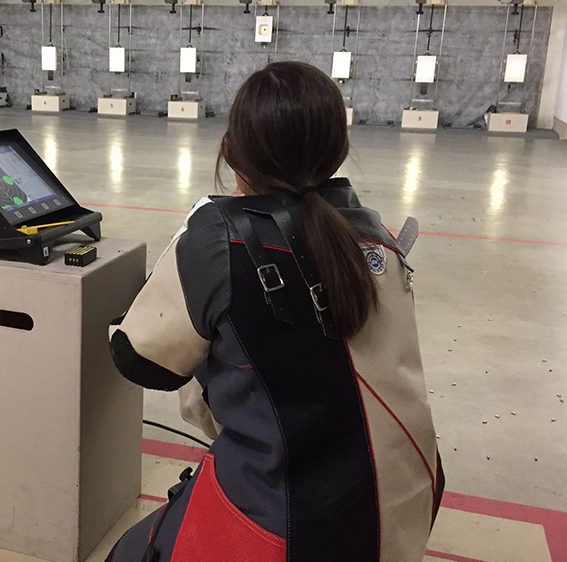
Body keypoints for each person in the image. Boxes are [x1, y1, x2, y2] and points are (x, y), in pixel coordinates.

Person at [106, 61, 444, 562]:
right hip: (408, 503)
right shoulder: (378, 241)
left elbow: (139, 361)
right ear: (336, 151)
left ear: (231, 151)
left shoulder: (215, 239)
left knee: (133, 553)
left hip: (295, 530)